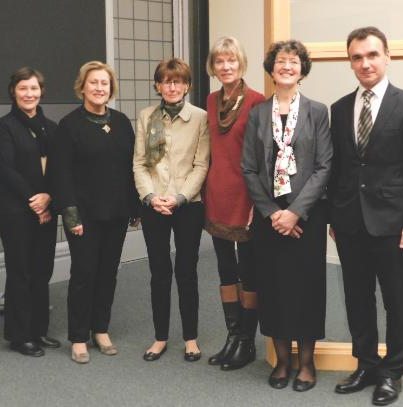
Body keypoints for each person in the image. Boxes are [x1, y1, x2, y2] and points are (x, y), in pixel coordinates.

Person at [329, 27, 403, 406]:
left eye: (372, 55)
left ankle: (392, 373)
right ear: (350, 62)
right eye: (357, 57)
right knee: (357, 298)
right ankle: (367, 364)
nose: (365, 63)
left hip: (393, 224)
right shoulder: (339, 109)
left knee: (395, 300)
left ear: (387, 56)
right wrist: (333, 218)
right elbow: (338, 168)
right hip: (349, 223)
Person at [241, 40, 332, 391]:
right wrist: (272, 214)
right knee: (274, 287)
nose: (287, 67)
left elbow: (325, 167)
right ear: (272, 68)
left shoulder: (317, 112)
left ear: (302, 69)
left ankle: (307, 364)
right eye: (281, 61)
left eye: (294, 62)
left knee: (307, 289)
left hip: (307, 217)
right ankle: (282, 361)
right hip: (269, 218)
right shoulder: (258, 114)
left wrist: (295, 213)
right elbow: (248, 168)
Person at [48, 61, 139, 364]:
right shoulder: (69, 126)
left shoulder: (123, 122)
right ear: (82, 87)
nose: (100, 88)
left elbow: (131, 170)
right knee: (84, 274)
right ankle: (78, 336)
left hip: (116, 213)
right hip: (83, 217)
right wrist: (71, 217)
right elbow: (61, 176)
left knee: (108, 274)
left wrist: (134, 208)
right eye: (94, 83)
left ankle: (100, 328)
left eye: (105, 83)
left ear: (111, 89)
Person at [133, 58, 210, 362]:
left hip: (187, 204)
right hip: (154, 205)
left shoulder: (200, 118)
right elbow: (139, 163)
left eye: (178, 81)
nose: (172, 86)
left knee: (187, 272)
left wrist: (179, 197)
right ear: (158, 86)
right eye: (166, 81)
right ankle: (160, 337)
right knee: (159, 272)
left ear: (187, 86)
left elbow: (201, 164)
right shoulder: (146, 116)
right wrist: (151, 196)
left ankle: (191, 338)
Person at [204, 36, 266, 370]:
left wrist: (260, 200)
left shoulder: (257, 101)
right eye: (219, 62)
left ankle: (247, 340)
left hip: (247, 198)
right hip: (217, 195)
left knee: (249, 271)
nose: (225, 67)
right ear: (213, 67)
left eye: (231, 61)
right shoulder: (211, 100)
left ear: (241, 63)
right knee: (225, 270)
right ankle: (232, 335)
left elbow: (263, 157)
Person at [0, 67, 59, 357]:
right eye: (23, 88)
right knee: (21, 271)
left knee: (42, 270)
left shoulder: (52, 128)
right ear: (13, 92)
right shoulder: (5, 126)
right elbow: (6, 169)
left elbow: (59, 169)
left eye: (33, 88)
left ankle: (38, 330)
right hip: (16, 209)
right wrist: (35, 200)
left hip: (47, 207)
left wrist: (49, 198)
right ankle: (19, 336)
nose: (29, 94)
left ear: (41, 91)